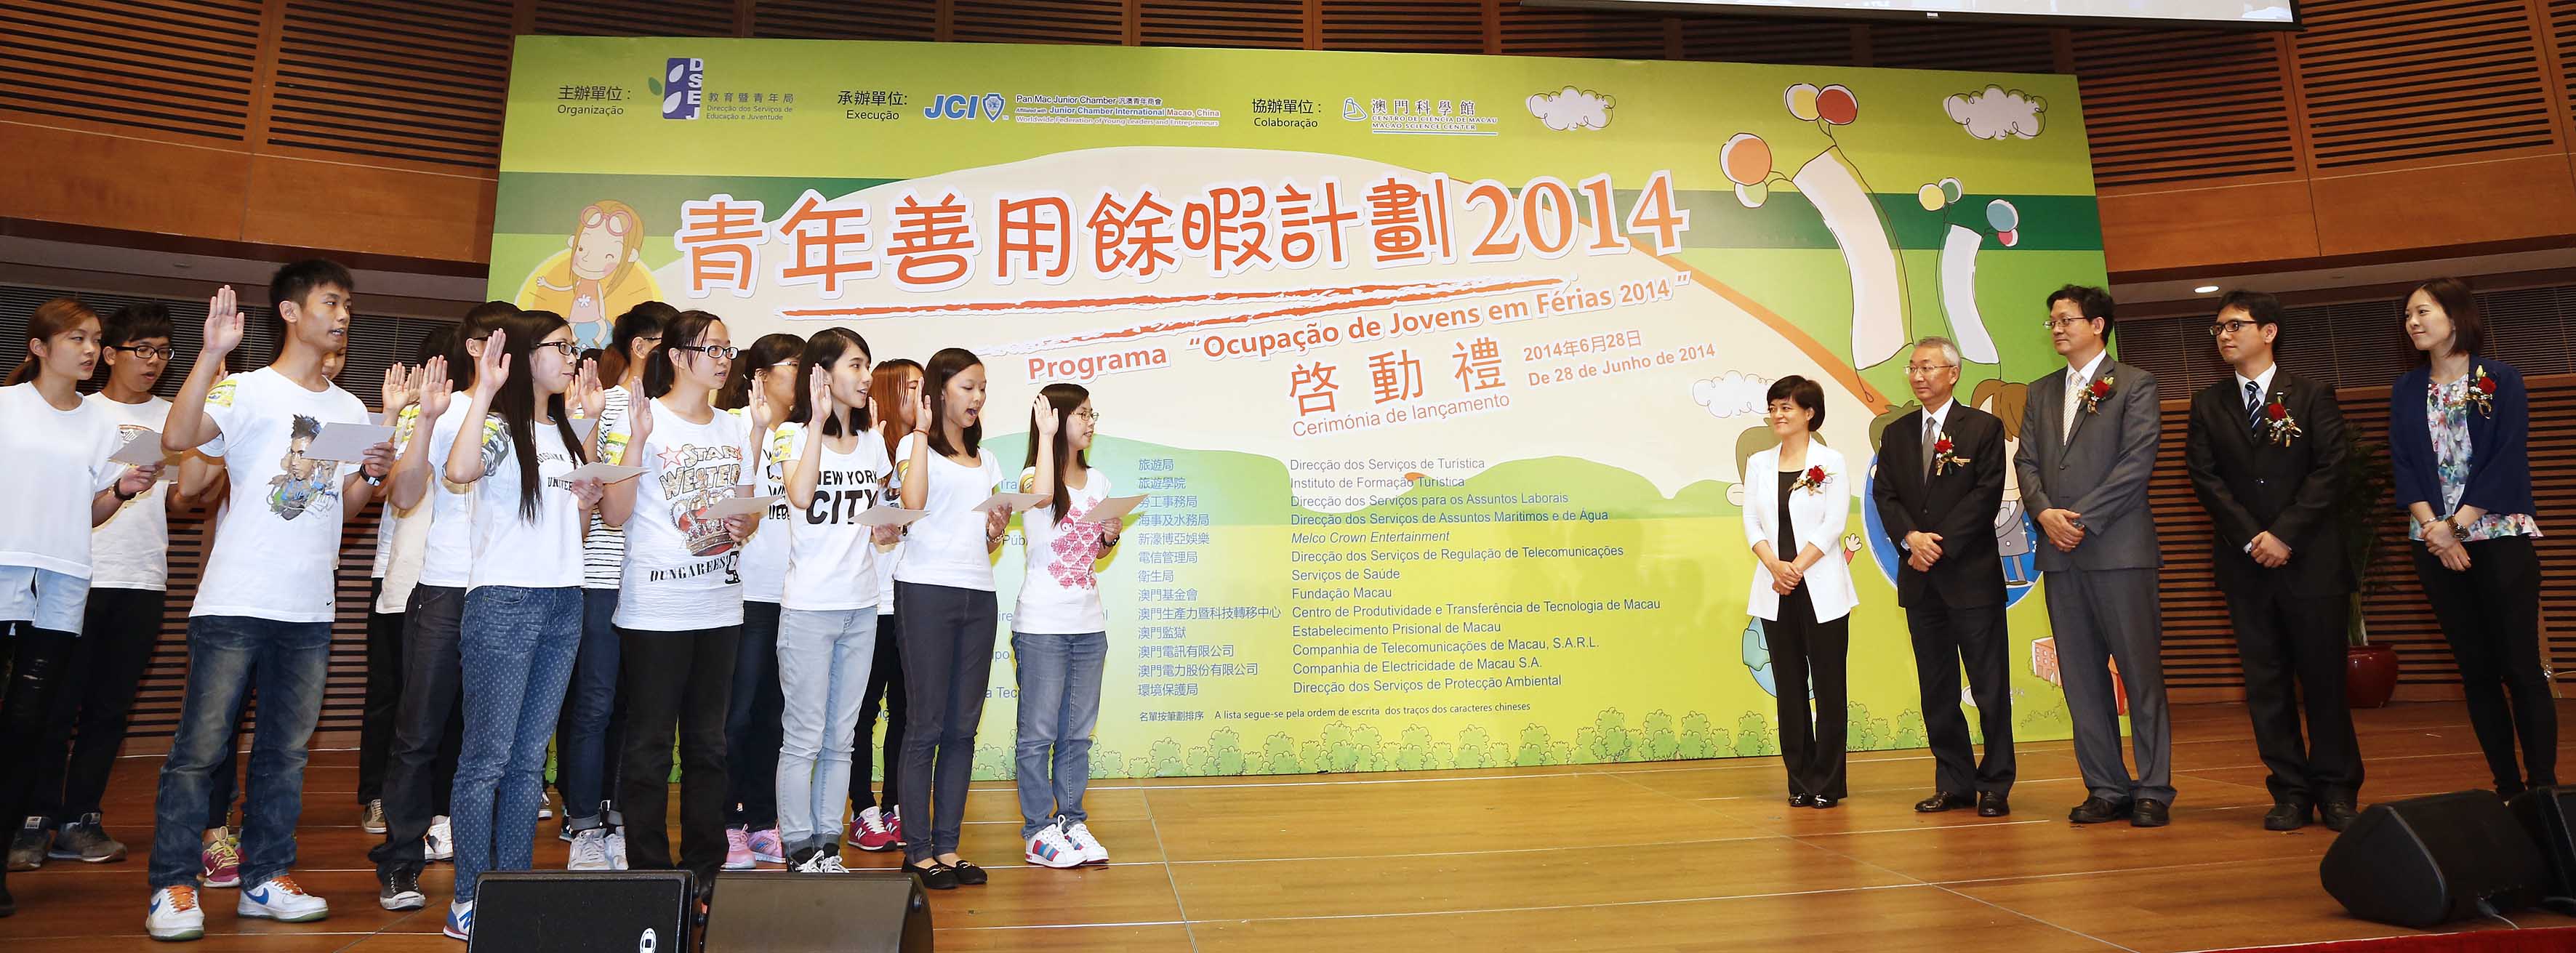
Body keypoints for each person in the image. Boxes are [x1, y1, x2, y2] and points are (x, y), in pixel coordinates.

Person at [148, 264, 395, 940]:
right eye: (331, 302)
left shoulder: (350, 408)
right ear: (290, 311)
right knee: (199, 752)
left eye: (348, 305)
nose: (343, 315)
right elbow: (176, 439)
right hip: (234, 598)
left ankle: (265, 877)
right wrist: (210, 354)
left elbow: (341, 509)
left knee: (285, 754)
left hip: (309, 608)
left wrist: (369, 477)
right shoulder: (246, 387)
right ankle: (172, 884)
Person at [436, 310, 605, 940]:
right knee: (487, 758)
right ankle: (469, 896)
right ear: (528, 355)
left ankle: (513, 887)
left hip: (564, 599)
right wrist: (484, 388)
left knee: (531, 759)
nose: (572, 357)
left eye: (573, 347)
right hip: (505, 600)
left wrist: (587, 501)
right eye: (561, 347)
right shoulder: (500, 426)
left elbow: (575, 530)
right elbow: (459, 472)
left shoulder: (565, 430)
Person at [0, 298, 161, 916]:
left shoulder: (100, 422)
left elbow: (90, 511)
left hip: (64, 579)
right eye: (76, 338)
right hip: (7, 569)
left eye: (95, 338)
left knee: (28, 724)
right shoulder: (8, 404)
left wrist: (121, 490)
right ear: (40, 347)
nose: (91, 349)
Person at [2184, 291, 2364, 832]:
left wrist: (2284, 534)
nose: (2224, 335)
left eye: (2234, 325)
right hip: (2245, 566)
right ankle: (2289, 791)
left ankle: (2337, 791)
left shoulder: (2310, 395)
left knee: (2324, 681)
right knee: (2266, 684)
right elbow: (2205, 478)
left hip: (2311, 562)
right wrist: (2251, 537)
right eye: (2217, 328)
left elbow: (2332, 468)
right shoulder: (2207, 404)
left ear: (2268, 332)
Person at [22, 303, 192, 869]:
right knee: (52, 704)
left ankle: (81, 818)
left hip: (143, 578)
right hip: (76, 574)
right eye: (142, 349)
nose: (153, 361)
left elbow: (182, 500)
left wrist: (208, 470)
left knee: (109, 709)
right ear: (112, 355)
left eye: (163, 351)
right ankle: (33, 818)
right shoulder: (81, 410)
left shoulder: (175, 419)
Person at [598, 310, 754, 892]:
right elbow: (614, 513)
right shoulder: (643, 417)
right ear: (678, 355)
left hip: (720, 606)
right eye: (712, 348)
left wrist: (742, 524)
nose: (723, 359)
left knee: (709, 745)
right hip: (655, 608)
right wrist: (638, 440)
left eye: (727, 349)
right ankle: (649, 872)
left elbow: (745, 510)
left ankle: (704, 868)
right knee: (649, 746)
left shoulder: (735, 427)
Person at [2017, 284, 2173, 828]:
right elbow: (2027, 463)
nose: (2058, 328)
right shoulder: (2040, 392)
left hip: (2119, 550)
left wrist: (2078, 520)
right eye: (2053, 321)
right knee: (2082, 679)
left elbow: (2136, 463)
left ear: (2098, 325)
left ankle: (2153, 788)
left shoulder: (2134, 383)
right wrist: (2044, 513)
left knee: (2139, 673)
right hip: (2060, 556)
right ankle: (2106, 786)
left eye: (2067, 319)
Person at [370, 304, 507, 912]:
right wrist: (423, 421)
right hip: (443, 586)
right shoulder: (442, 407)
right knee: (417, 731)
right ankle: (400, 861)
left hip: (507, 592)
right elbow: (403, 494)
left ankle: (480, 857)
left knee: (490, 740)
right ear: (475, 347)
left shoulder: (529, 421)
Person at [2391, 277, 2551, 798]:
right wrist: (2434, 531)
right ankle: (2506, 787)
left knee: (2520, 668)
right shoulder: (2406, 389)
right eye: (2408, 315)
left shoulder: (2500, 378)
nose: (2412, 322)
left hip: (2497, 533)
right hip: (2434, 544)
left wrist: (2455, 526)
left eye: (2422, 312)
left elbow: (2506, 458)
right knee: (2476, 672)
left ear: (2455, 316)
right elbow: (2404, 465)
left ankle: (2543, 789)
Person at [1871, 337, 2015, 819]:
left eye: (1928, 367)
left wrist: (1938, 544)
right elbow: (1885, 495)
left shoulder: (1982, 427)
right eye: (1913, 367)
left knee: (1988, 686)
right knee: (1937, 689)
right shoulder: (1896, 433)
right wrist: (1911, 538)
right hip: (1920, 580)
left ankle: (1995, 783)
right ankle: (1954, 782)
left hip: (1970, 577)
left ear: (1953, 373)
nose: (1918, 376)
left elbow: (1985, 494)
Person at [771, 328, 896, 873]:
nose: (866, 377)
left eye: (868, 365)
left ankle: (827, 842)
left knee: (841, 737)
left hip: (862, 604)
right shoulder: (791, 435)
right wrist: (818, 422)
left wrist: (889, 525)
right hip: (808, 606)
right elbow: (801, 496)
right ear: (821, 373)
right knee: (803, 736)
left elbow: (880, 518)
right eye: (855, 365)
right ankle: (798, 844)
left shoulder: (872, 441)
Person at [559, 301, 673, 871]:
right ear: (640, 346)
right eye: (668, 343)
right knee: (595, 703)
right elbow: (588, 489)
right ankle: (583, 822)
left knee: (639, 708)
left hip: (654, 580)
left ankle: (621, 818)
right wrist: (587, 422)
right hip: (601, 576)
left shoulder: (674, 414)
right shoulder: (599, 404)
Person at [894, 347, 1009, 890]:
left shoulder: (987, 461)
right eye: (967, 387)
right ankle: (917, 851)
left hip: (978, 595)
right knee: (926, 726)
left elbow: (986, 539)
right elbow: (912, 504)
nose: (977, 397)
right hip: (924, 591)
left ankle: (947, 846)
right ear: (939, 391)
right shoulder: (912, 446)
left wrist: (996, 530)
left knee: (963, 728)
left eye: (982, 387)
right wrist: (920, 432)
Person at [361, 326, 468, 840]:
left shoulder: (477, 417)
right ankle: (378, 795)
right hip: (400, 572)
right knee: (392, 694)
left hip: (452, 578)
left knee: (446, 702)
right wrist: (399, 414)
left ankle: (440, 806)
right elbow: (386, 487)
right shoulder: (410, 416)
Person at [1741, 375, 1856, 809]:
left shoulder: (1831, 461)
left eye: (1786, 407)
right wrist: (1776, 566)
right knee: (1789, 688)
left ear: (1809, 413)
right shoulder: (1759, 464)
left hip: (1821, 586)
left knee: (1828, 686)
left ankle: (1828, 781)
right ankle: (1800, 779)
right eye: (1773, 407)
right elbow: (1751, 522)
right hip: (1775, 586)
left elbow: (1833, 524)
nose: (1777, 415)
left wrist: (1797, 568)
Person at [1016, 385, 1118, 867]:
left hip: (1088, 622)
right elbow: (1041, 497)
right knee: (1037, 735)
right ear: (1056, 420)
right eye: (1081, 414)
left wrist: (1109, 537)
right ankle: (1037, 829)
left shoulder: (1098, 480)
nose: (1091, 422)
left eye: (1092, 414)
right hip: (1041, 624)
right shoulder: (1032, 476)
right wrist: (1045, 436)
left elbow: (1093, 551)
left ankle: (1071, 820)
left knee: (1077, 734)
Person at [718, 331, 803, 870]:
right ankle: (728, 822)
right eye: (793, 364)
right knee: (736, 716)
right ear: (760, 375)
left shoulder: (805, 433)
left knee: (776, 718)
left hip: (792, 594)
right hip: (743, 593)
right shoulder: (732, 425)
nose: (803, 374)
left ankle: (763, 820)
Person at [846, 359, 921, 853]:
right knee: (862, 712)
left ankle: (895, 804)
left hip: (913, 601)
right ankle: (862, 809)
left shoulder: (925, 453)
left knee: (907, 712)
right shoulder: (864, 446)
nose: (924, 396)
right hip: (868, 602)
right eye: (913, 387)